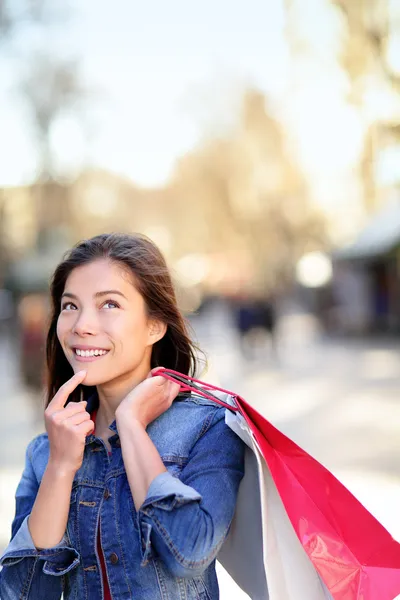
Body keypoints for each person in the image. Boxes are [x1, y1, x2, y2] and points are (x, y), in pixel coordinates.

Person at [0, 233, 245, 600]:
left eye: (109, 304)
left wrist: (131, 426)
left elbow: (188, 553)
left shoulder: (207, 428)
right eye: (70, 306)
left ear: (154, 325)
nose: (81, 325)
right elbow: (24, 594)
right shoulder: (44, 452)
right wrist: (61, 467)